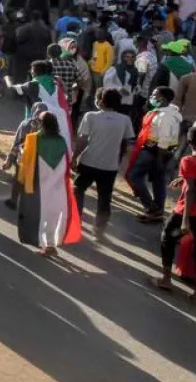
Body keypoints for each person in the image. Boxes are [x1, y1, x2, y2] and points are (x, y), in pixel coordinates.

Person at [15, 111, 83, 257]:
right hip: (58, 187)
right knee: (52, 217)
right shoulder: (62, 141)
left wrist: (20, 155)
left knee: (39, 217)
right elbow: (67, 163)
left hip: (38, 187)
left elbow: (24, 163)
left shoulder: (33, 139)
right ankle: (50, 245)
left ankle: (44, 244)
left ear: (41, 124)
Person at [156, 126, 196, 305]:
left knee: (167, 238)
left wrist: (185, 220)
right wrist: (182, 179)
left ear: (189, 142)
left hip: (187, 211)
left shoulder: (188, 160)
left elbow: (192, 190)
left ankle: (166, 279)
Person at [72, 88, 134, 232]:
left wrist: (74, 157)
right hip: (110, 166)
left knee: (78, 190)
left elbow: (82, 140)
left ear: (101, 101)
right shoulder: (125, 120)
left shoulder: (91, 116)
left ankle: (76, 219)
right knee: (105, 197)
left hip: (88, 162)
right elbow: (127, 144)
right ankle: (100, 228)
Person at [126, 86, 181, 223]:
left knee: (134, 176)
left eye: (154, 94)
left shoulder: (165, 116)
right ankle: (157, 212)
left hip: (154, 151)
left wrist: (160, 159)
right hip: (161, 151)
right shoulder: (167, 113)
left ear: (162, 98)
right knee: (158, 181)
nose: (152, 96)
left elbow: (163, 139)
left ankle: (152, 208)